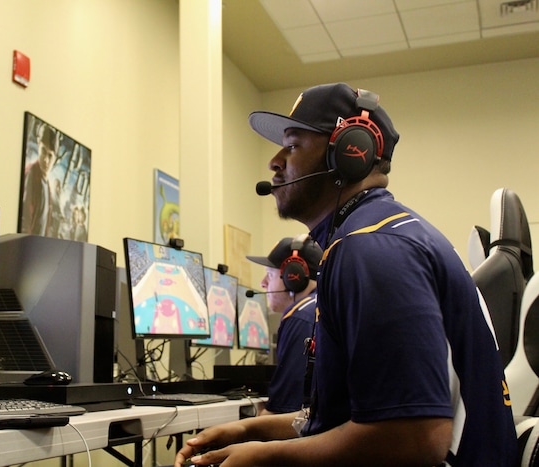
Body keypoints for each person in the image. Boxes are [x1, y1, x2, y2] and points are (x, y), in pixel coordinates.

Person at [175, 83, 517, 466]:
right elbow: (348, 421)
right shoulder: (375, 235)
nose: (274, 161)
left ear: (350, 151)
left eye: (292, 145)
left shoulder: (371, 250)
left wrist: (265, 458)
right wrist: (250, 430)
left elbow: (415, 438)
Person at [246, 234, 322, 415]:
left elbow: (283, 413)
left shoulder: (301, 316)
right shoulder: (325, 304)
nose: (262, 283)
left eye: (270, 275)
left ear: (293, 277)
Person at [21, 123, 58, 236]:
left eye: (50, 155)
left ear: (55, 158)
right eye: (43, 151)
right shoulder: (31, 173)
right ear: (38, 144)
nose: (46, 160)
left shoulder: (47, 183)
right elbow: (25, 220)